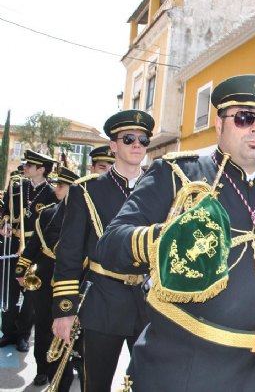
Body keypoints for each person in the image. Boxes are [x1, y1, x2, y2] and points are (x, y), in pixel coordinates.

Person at [97, 75, 255, 391]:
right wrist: (166, 239)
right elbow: (110, 244)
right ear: (219, 124)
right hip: (193, 367)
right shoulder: (177, 174)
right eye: (244, 118)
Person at [52, 110, 155, 392]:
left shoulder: (161, 188)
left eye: (143, 140)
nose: (137, 144)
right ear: (113, 146)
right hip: (102, 301)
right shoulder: (86, 190)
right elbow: (69, 254)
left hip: (149, 304)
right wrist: (64, 310)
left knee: (152, 383)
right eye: (129, 138)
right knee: (95, 384)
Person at [15, 166, 79, 391]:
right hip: (44, 280)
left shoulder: (85, 215)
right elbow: (32, 246)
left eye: (62, 185)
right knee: (43, 327)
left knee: (72, 329)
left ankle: (72, 366)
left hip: (73, 280)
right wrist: (21, 270)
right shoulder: (48, 213)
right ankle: (43, 369)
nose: (57, 189)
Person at [0, 150, 57, 373]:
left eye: (30, 166)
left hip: (37, 249)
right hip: (13, 244)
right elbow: (5, 211)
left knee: (31, 295)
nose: (25, 168)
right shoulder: (16, 187)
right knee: (9, 289)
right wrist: (5, 223)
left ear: (41, 169)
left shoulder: (51, 193)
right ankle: (8, 332)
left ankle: (23, 334)